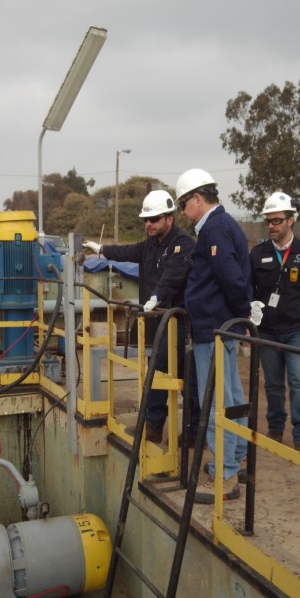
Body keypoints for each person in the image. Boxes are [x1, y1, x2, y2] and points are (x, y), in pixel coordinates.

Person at [83, 190, 200, 445]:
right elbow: (128, 252)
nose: (149, 224)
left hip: (180, 322)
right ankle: (155, 427)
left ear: (169, 218)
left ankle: (190, 432)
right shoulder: (150, 244)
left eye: (154, 219)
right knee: (158, 374)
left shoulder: (184, 244)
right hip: (158, 321)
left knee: (189, 379)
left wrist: (156, 296)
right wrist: (101, 250)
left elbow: (173, 275)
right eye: (146, 219)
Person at [176, 168, 259, 504]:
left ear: (198, 199)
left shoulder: (214, 229)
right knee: (232, 396)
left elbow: (231, 277)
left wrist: (243, 315)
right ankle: (236, 456)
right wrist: (241, 318)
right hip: (223, 326)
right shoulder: (223, 226)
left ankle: (224, 475)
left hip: (215, 329)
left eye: (183, 203)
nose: (182, 211)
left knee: (214, 402)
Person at [250, 192, 300, 456]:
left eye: (277, 221)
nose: (271, 226)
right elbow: (249, 289)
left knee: (298, 382)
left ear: (291, 221)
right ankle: (274, 428)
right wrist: (251, 311)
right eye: (268, 221)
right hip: (268, 331)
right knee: (272, 383)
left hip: (298, 330)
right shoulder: (257, 253)